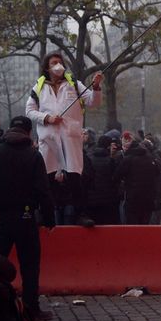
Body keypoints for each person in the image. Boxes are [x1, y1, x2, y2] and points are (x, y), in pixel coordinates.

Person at [0, 116, 56, 321]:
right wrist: (49, 218)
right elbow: (43, 190)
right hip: (26, 217)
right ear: (28, 133)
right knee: (30, 265)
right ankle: (31, 308)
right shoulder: (33, 156)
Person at [26, 52, 102, 225]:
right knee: (47, 177)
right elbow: (29, 111)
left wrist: (96, 88)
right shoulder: (38, 88)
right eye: (54, 63)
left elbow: (93, 102)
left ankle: (81, 214)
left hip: (70, 137)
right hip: (49, 139)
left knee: (75, 176)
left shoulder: (74, 84)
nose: (58, 65)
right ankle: (45, 216)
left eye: (60, 62)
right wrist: (47, 118)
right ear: (47, 67)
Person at [114, 141, 161, 225]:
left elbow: (117, 176)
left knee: (132, 223)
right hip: (148, 197)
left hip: (133, 197)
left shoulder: (128, 159)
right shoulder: (150, 159)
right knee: (145, 222)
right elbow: (158, 173)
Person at [84, 135, 121, 225]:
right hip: (108, 201)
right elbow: (116, 178)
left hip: (91, 199)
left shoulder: (89, 158)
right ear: (108, 146)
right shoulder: (111, 161)